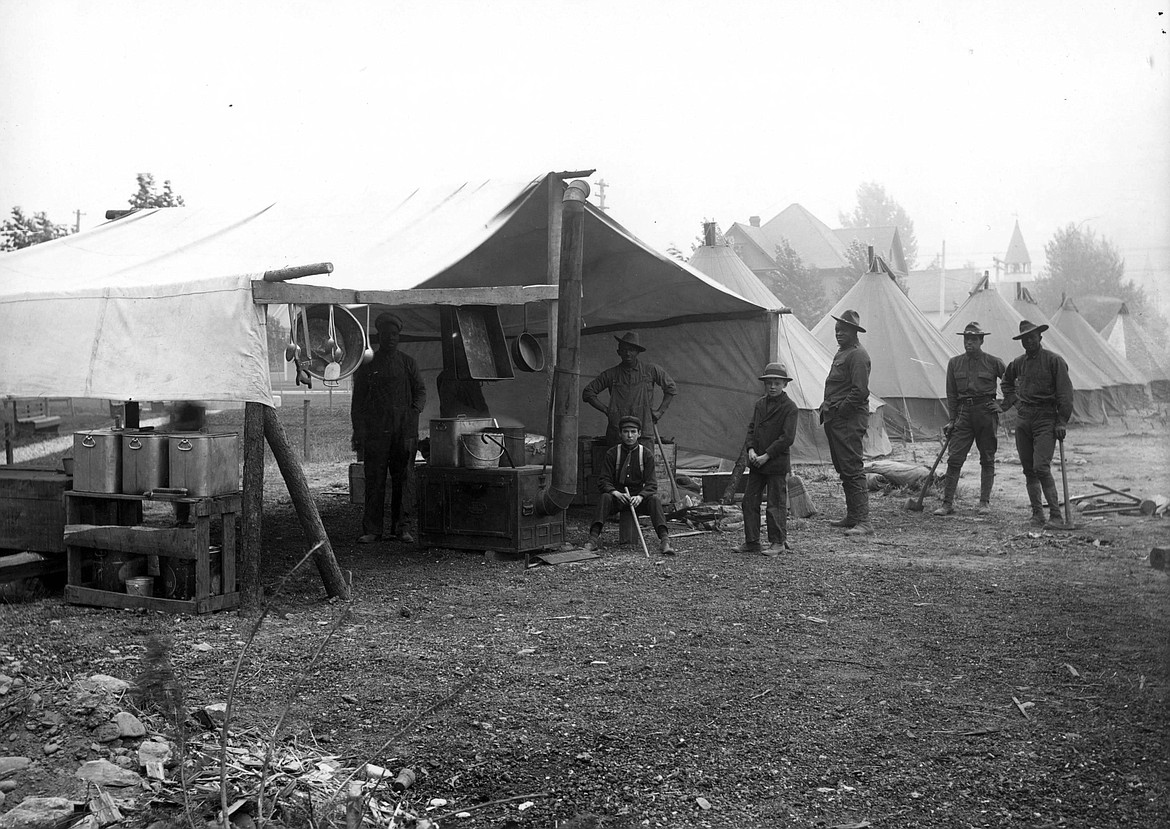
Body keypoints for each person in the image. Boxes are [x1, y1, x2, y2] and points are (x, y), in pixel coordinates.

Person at [351, 313, 427, 545]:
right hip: (376, 433)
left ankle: (401, 528)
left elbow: (421, 391)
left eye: (394, 334)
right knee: (374, 480)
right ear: (379, 336)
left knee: (404, 479)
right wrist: (359, 431)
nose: (390, 338)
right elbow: (359, 402)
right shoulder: (367, 365)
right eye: (386, 334)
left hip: (404, 433)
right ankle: (373, 530)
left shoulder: (408, 363)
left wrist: (413, 412)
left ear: (399, 337)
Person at [1000, 319, 1074, 526]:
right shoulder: (1018, 363)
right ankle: (1037, 514)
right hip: (1024, 419)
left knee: (1041, 466)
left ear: (1040, 337)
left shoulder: (1054, 361)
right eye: (1024, 339)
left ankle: (1057, 517)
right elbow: (1006, 382)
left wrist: (1061, 422)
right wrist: (1014, 401)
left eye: (1032, 337)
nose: (1028, 342)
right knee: (1028, 469)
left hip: (1046, 419)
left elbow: (1065, 395)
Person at [934, 322, 1008, 516]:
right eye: (966, 339)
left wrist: (1003, 405)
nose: (969, 343)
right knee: (955, 459)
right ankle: (947, 503)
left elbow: (1012, 384)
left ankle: (984, 502)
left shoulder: (994, 362)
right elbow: (951, 394)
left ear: (981, 341)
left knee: (987, 458)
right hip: (963, 415)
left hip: (986, 413)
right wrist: (952, 420)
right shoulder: (954, 363)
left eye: (973, 340)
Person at [732, 362, 799, 556]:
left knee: (775, 503)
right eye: (769, 382)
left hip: (775, 463)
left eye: (777, 383)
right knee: (749, 502)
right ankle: (752, 541)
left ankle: (777, 542)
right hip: (757, 462)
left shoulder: (790, 408)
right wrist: (751, 450)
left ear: (784, 384)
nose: (772, 386)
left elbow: (787, 438)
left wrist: (766, 455)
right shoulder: (760, 404)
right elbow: (752, 429)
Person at [583, 415, 673, 555]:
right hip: (618, 497)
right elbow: (603, 480)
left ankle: (665, 541)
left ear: (639, 433)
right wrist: (615, 493)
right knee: (605, 497)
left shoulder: (646, 454)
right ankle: (593, 540)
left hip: (638, 499)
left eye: (633, 432)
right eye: (625, 432)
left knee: (654, 500)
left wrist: (641, 497)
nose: (629, 435)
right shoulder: (612, 453)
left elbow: (651, 484)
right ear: (620, 434)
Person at [819, 309, 873, 536]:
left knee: (852, 467)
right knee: (844, 468)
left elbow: (859, 391)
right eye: (837, 330)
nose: (839, 334)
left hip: (848, 420)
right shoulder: (842, 353)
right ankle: (852, 516)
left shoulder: (858, 355)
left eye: (844, 330)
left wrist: (840, 411)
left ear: (855, 332)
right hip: (836, 419)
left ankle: (863, 521)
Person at [583, 332, 678, 449]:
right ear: (619, 352)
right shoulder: (611, 374)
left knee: (645, 464)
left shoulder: (651, 370)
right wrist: (607, 410)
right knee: (618, 465)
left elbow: (671, 388)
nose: (628, 353)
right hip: (618, 433)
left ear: (637, 352)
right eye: (624, 350)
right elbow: (588, 392)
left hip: (643, 433)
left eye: (631, 350)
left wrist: (660, 412)